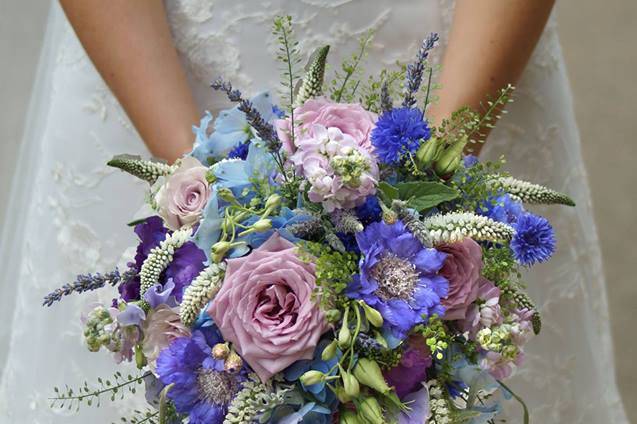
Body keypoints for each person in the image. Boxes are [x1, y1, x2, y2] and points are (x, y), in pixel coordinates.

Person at [0, 0, 627, 422]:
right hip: (153, 75)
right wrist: (209, 202)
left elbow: (428, 208)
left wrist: (430, 185)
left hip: (465, 66)